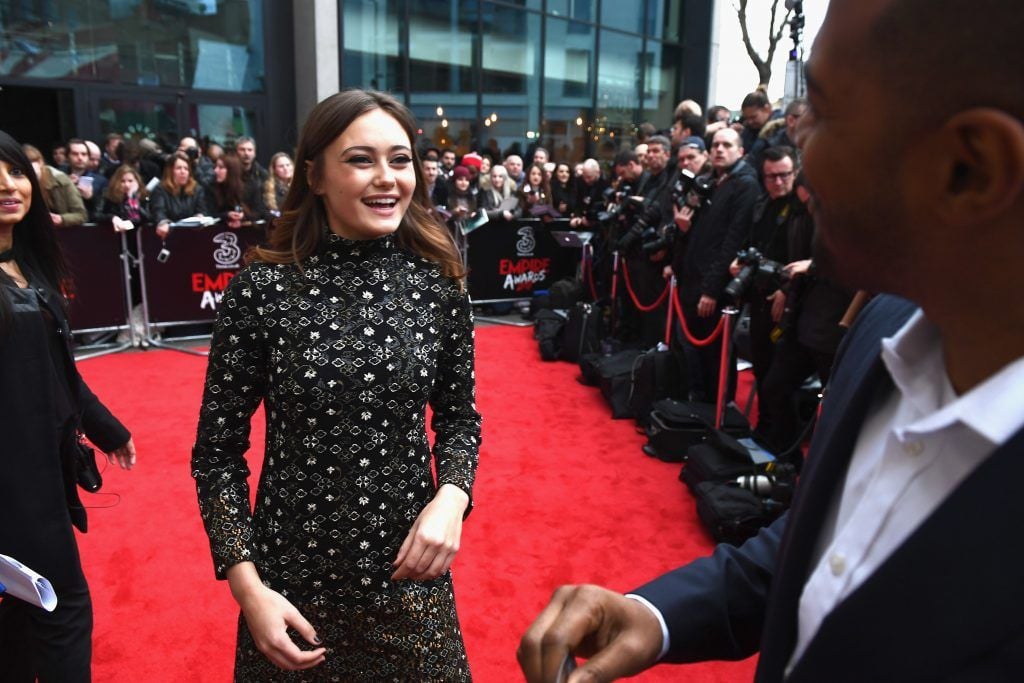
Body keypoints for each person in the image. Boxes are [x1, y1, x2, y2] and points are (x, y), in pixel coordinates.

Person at [519, 0, 1024, 680]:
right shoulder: (885, 328)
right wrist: (660, 615)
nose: (792, 152)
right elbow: (826, 541)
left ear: (971, 168)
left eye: (821, 109)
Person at [192, 89, 481, 679]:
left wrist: (453, 496)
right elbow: (216, 453)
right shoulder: (261, 289)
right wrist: (248, 589)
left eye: (400, 160)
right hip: (289, 586)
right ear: (314, 176)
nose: (387, 178)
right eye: (360, 159)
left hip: (409, 579)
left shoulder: (438, 280)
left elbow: (460, 418)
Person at [0, 129, 136, 681]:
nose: (7, 185)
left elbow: (60, 373)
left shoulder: (27, 269)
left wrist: (107, 429)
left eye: (13, 171)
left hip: (42, 475)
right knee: (62, 610)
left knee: (20, 618)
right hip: (13, 485)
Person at [22, 144, 88, 228]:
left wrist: (61, 219)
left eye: (30, 163)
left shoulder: (60, 180)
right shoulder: (19, 183)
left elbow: (82, 215)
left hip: (60, 232)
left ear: (40, 162)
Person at [149, 151, 210, 238]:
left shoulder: (197, 189)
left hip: (193, 235)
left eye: (186, 168)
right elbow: (158, 211)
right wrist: (163, 222)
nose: (183, 172)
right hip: (169, 234)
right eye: (178, 168)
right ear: (170, 171)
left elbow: (202, 210)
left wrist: (200, 216)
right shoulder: (160, 189)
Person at [263, 152, 294, 217]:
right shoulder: (268, 187)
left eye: (288, 165)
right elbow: (268, 212)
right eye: (281, 166)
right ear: (274, 170)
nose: (286, 168)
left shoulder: (299, 185)